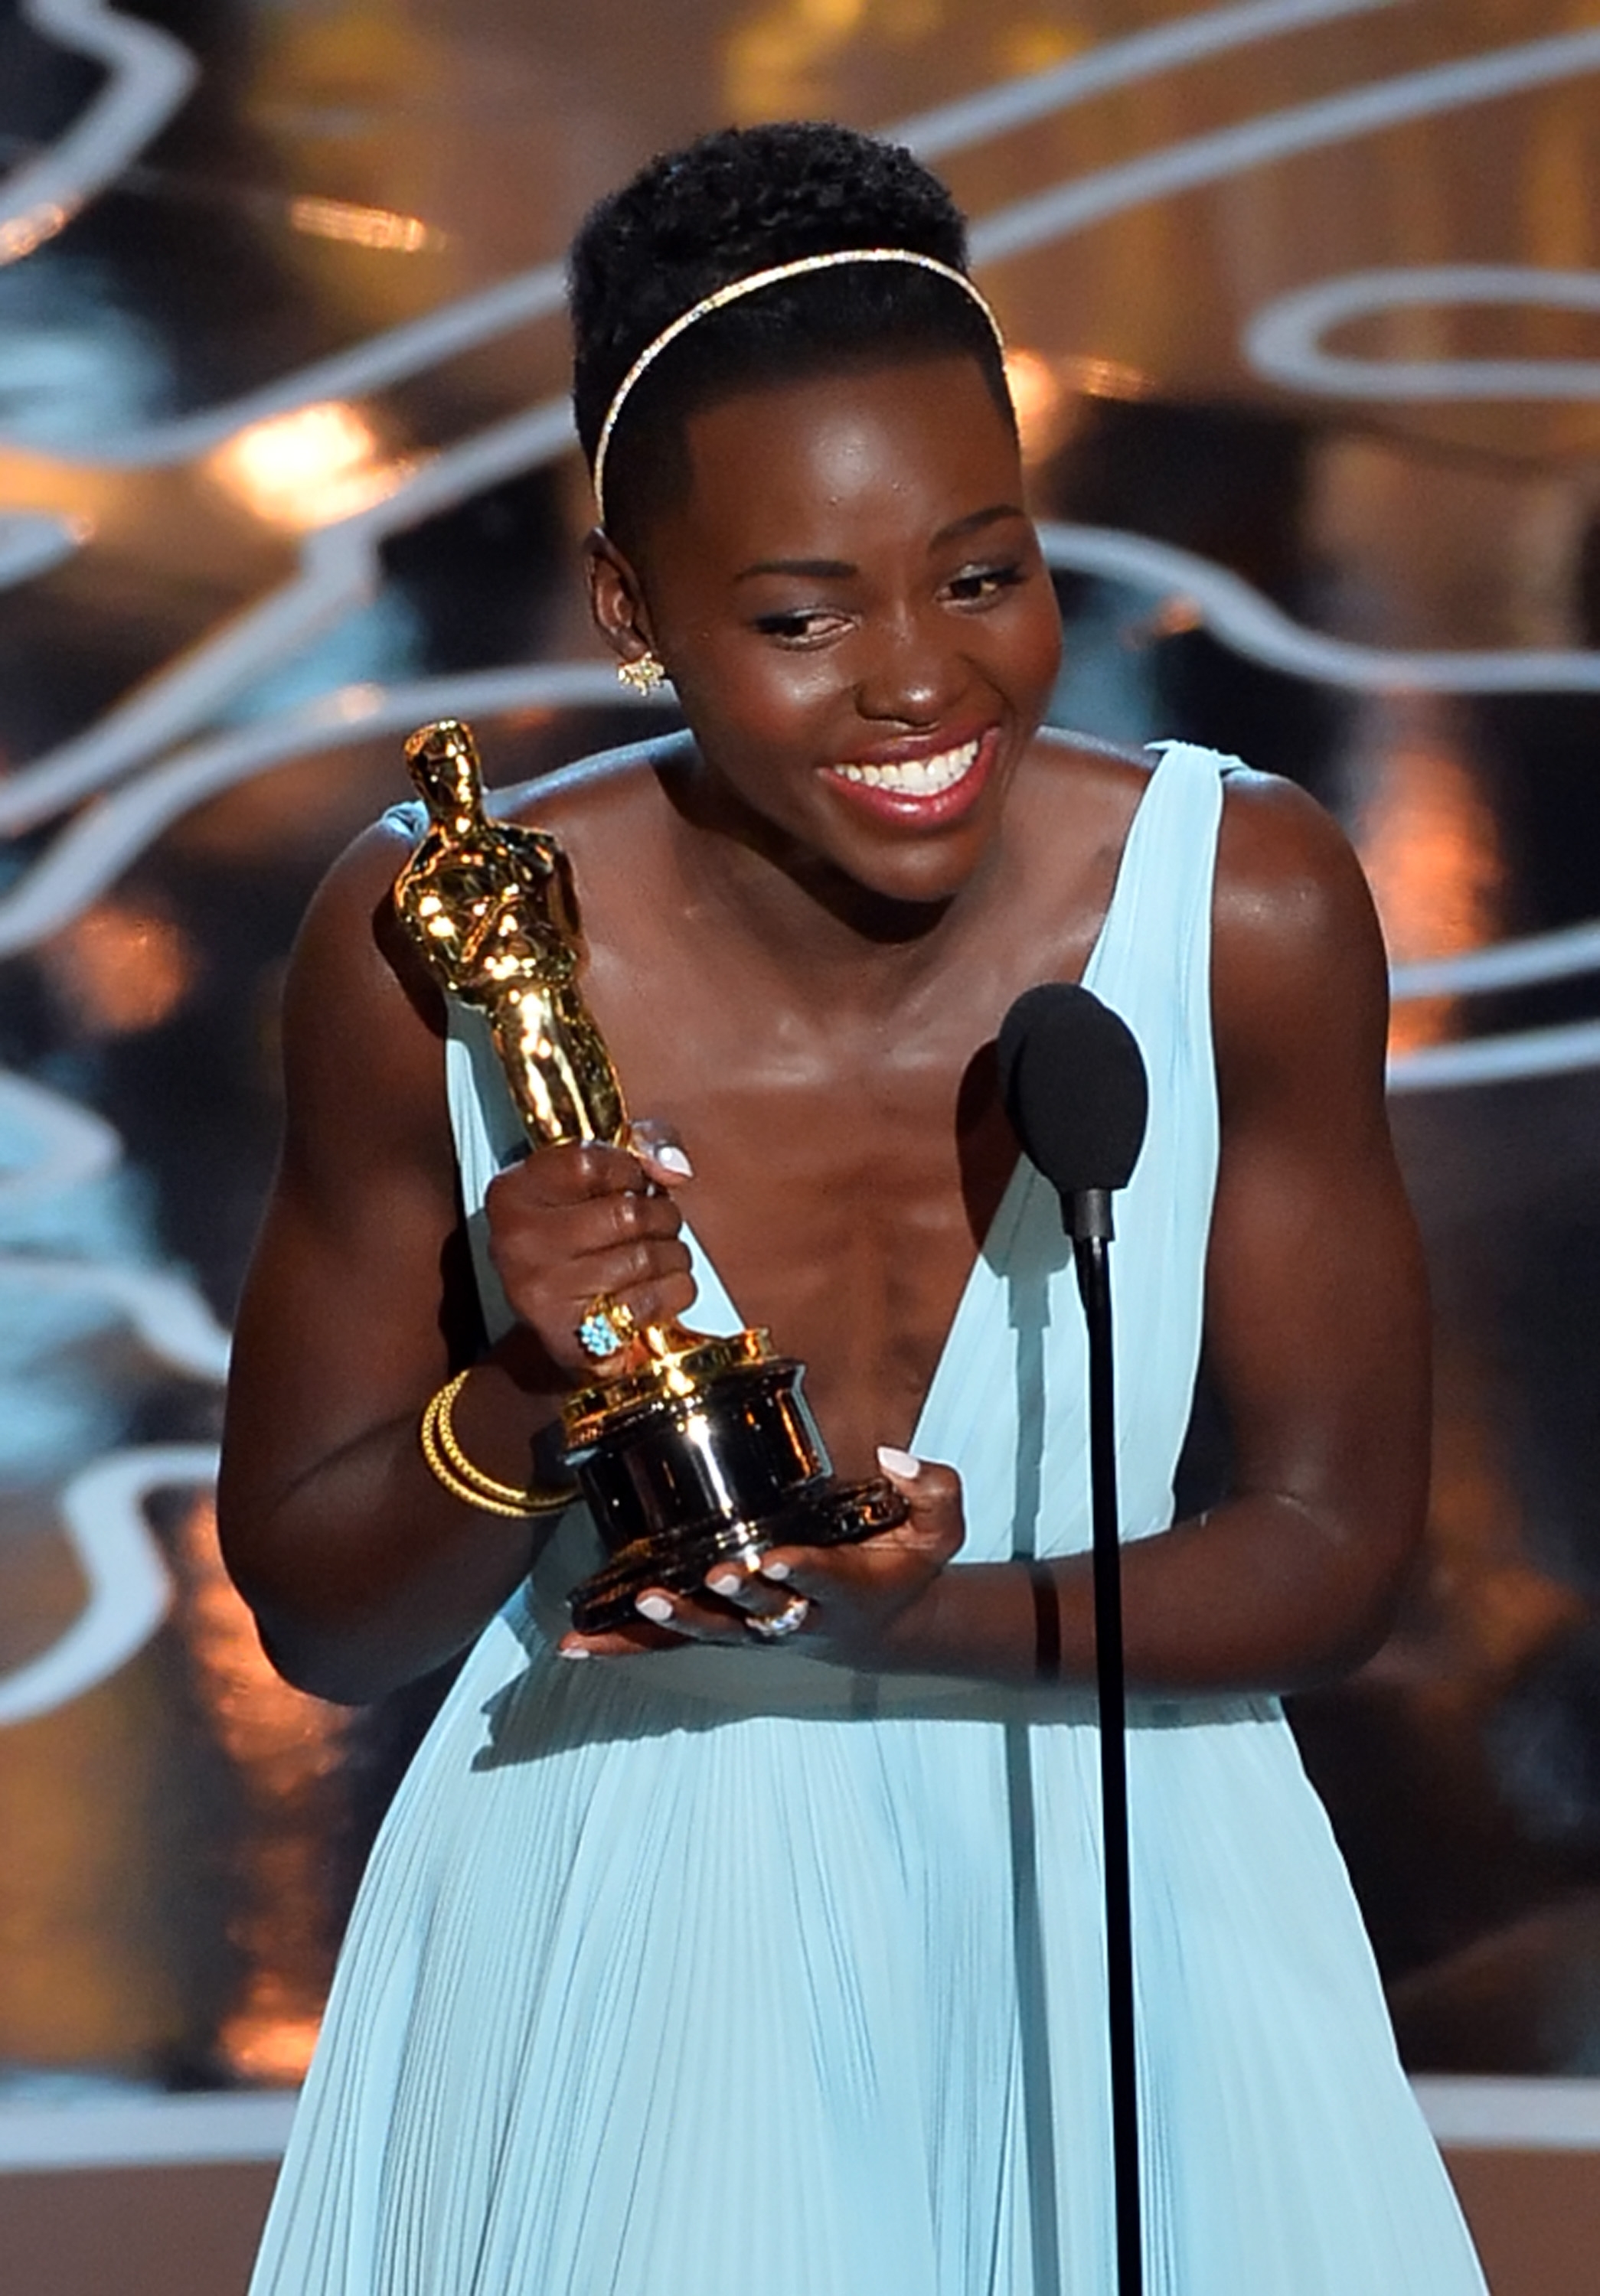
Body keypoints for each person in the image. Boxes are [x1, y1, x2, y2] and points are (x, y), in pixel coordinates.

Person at [222, 120, 1488, 2296]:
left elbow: (1331, 1551)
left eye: (981, 573)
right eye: (801, 613)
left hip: (1129, 1902)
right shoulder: (430, 939)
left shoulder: (1242, 901)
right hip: (615, 1950)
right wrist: (525, 1392)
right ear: (633, 608)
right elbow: (326, 1619)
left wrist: (913, 1624)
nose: (920, 677)